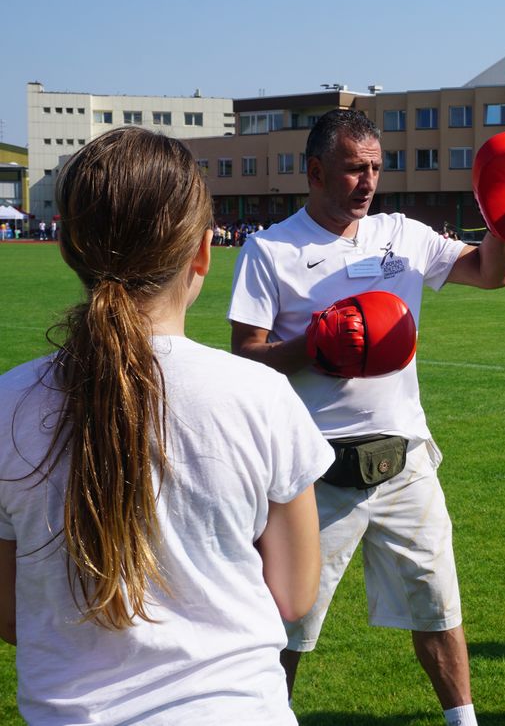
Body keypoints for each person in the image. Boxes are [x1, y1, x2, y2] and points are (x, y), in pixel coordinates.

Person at [0, 127, 327, 724]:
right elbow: (294, 595)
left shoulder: (8, 405)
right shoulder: (261, 397)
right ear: (202, 252)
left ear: (69, 247)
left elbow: (9, 614)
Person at [228, 109, 505, 726]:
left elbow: (491, 273)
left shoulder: (403, 235)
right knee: (286, 619)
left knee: (439, 604)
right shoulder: (270, 249)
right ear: (314, 171)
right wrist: (315, 346)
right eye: (354, 169)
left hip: (405, 458)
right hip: (312, 470)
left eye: (376, 169)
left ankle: (462, 721)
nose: (368, 182)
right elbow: (245, 357)